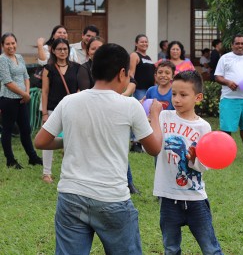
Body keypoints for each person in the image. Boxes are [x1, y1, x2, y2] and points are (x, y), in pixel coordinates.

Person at [34, 43, 163, 254]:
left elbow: (40, 141)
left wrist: (69, 140)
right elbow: (154, 148)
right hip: (111, 198)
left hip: (71, 195)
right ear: (122, 73)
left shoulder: (69, 101)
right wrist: (155, 116)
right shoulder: (129, 105)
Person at [154, 70, 223, 254]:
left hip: (195, 199)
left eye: (183, 95)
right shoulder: (164, 117)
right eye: (174, 93)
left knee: (211, 248)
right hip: (168, 198)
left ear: (198, 97)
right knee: (171, 248)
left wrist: (194, 159)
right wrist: (152, 117)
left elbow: (204, 165)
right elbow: (151, 148)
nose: (177, 99)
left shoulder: (203, 126)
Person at [77, 37, 141, 194]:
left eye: (100, 48)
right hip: (92, 114)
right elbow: (86, 90)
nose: (97, 51)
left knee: (117, 148)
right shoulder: (85, 69)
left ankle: (128, 182)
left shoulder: (115, 68)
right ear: (88, 52)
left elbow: (132, 81)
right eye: (93, 49)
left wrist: (121, 96)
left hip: (115, 111)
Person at [0, 33, 43, 169]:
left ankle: (33, 157)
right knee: (7, 130)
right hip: (8, 99)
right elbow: (7, 81)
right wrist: (24, 94)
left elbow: (26, 76)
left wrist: (26, 93)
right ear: (2, 46)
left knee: (26, 129)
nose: (11, 46)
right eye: (7, 44)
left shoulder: (19, 57)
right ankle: (10, 160)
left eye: (13, 43)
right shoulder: (2, 59)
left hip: (22, 99)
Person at [41, 39, 80, 184]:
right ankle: (46, 172)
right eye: (59, 49)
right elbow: (44, 92)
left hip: (72, 109)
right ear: (53, 51)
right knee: (48, 140)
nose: (63, 52)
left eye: (65, 49)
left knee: (72, 140)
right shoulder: (48, 68)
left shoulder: (77, 67)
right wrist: (44, 113)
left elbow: (79, 89)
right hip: (52, 108)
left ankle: (70, 172)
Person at [129, 34, 155, 100]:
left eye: (146, 42)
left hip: (150, 89)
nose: (144, 44)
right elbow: (131, 73)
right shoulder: (134, 55)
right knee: (142, 108)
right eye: (142, 42)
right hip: (139, 90)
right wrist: (132, 86)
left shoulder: (148, 57)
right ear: (136, 44)